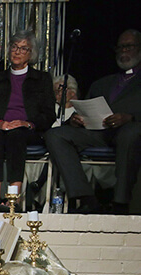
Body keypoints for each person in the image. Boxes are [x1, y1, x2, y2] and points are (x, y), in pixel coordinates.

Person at [45, 29, 141, 215]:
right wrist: (76, 120)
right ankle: (84, 196)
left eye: (128, 46)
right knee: (56, 135)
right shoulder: (102, 83)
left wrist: (130, 118)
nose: (123, 51)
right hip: (100, 132)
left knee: (131, 134)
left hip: (130, 131)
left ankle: (120, 202)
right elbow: (86, 107)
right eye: (120, 47)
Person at [0, 30, 56, 212]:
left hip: (28, 130)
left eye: (23, 48)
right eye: (14, 47)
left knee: (16, 136)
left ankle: (13, 197)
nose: (17, 52)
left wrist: (26, 123)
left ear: (31, 54)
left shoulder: (42, 79)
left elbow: (48, 115)